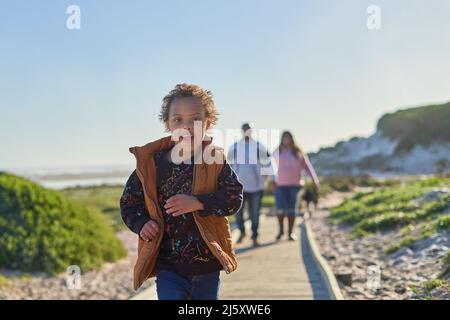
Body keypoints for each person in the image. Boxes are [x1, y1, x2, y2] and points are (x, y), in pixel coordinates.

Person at [120, 83, 243, 300]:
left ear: (208, 123)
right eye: (178, 120)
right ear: (168, 124)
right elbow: (129, 203)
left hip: (207, 263)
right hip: (168, 265)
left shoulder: (213, 160)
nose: (186, 126)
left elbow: (234, 198)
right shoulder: (151, 165)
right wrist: (142, 224)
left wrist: (199, 202)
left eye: (195, 119)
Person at [227, 122, 273, 247]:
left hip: (257, 187)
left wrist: (267, 179)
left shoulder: (259, 146)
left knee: (255, 213)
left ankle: (255, 235)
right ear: (242, 131)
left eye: (249, 129)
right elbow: (228, 164)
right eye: (245, 129)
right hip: (239, 187)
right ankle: (242, 231)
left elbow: (267, 164)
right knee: (238, 212)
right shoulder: (235, 147)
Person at [271, 131, 320, 241]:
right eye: (284, 137)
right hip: (280, 185)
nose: (286, 140)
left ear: (292, 139)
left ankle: (290, 233)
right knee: (280, 209)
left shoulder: (298, 152)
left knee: (292, 209)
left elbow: (308, 167)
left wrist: (315, 180)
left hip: (295, 185)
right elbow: (270, 167)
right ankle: (281, 231)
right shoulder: (277, 152)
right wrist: (272, 180)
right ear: (282, 139)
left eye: (288, 138)